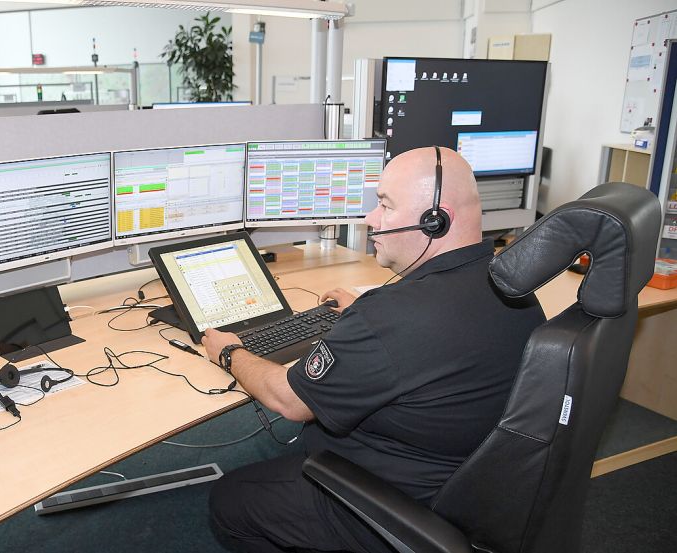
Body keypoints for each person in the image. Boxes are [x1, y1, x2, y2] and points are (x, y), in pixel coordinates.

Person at [202, 147, 546, 553]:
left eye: (384, 205)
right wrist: (364, 311)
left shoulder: (393, 318)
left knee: (230, 501)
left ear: (435, 220)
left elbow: (288, 399)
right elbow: (426, 335)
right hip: (475, 485)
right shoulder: (513, 288)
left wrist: (230, 353)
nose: (371, 219)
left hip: (396, 500)